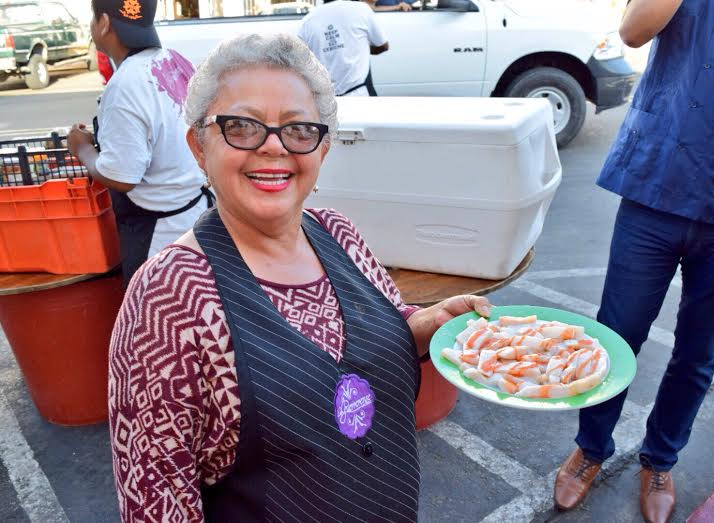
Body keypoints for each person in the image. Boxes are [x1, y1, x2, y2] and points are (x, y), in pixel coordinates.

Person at [108, 32, 492, 521]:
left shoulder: (340, 234)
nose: (274, 147)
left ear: (322, 148)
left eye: (298, 129)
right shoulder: (167, 297)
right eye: (241, 126)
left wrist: (422, 327)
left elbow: (361, 347)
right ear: (198, 146)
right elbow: (156, 501)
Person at [553, 1, 714, 522]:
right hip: (656, 181)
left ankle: (660, 459)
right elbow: (633, 32)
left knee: (699, 351)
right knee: (617, 335)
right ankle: (591, 448)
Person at [68, 0, 212, 286]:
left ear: (104, 23)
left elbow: (121, 177)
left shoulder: (124, 84)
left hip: (160, 241)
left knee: (158, 311)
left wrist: (81, 148)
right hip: (199, 217)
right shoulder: (174, 60)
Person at [298, 0, 389, 96]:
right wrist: (359, 47)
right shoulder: (361, 9)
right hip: (360, 94)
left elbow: (301, 61)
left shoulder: (307, 21)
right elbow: (383, 46)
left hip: (327, 99)